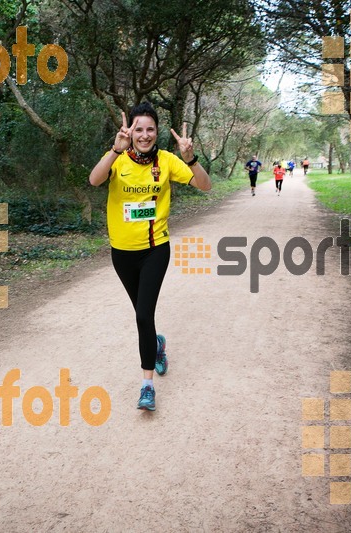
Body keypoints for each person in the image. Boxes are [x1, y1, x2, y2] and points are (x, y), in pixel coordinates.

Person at [89, 102, 212, 411]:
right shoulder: (117, 158)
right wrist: (115, 150)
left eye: (150, 129)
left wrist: (191, 159)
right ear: (129, 131)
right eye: (138, 129)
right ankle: (156, 343)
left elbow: (205, 185)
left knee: (143, 315)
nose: (144, 135)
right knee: (144, 315)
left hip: (156, 249)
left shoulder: (168, 161)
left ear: (157, 133)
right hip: (122, 253)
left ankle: (147, 387)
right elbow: (94, 180)